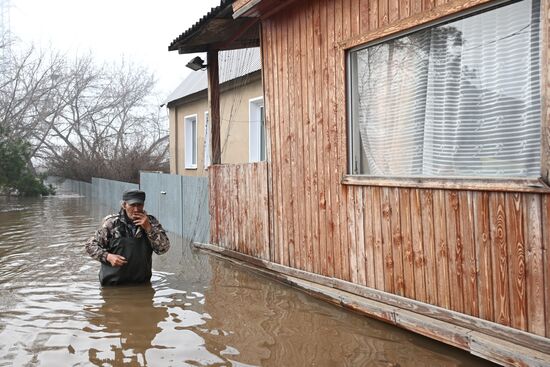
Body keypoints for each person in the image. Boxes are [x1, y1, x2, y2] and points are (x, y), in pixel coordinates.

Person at [85, 189, 170, 286]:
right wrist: (108, 257)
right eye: (132, 205)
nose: (136, 209)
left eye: (139, 205)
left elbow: (163, 249)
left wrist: (148, 228)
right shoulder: (111, 223)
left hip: (142, 285)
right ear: (124, 205)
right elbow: (90, 246)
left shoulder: (151, 221)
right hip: (112, 286)